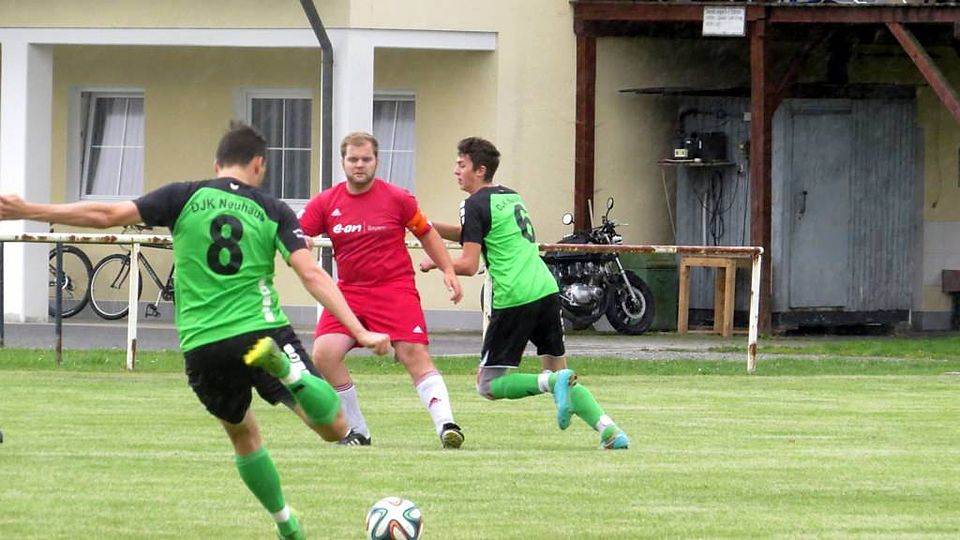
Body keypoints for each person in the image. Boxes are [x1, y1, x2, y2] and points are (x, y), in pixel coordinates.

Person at [0, 122, 391, 539]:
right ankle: (288, 372)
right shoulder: (273, 209)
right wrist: (359, 330)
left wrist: (29, 209)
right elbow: (311, 273)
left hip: (203, 344)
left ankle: (286, 525)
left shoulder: (183, 196)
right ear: (259, 165)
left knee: (243, 434)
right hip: (261, 331)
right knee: (335, 427)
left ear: (217, 164)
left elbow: (106, 215)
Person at [421, 136, 630, 450]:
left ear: (479, 170)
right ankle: (610, 432)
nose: (455, 171)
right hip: (545, 288)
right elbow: (477, 233)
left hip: (514, 294)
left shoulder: (473, 204)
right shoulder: (510, 196)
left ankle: (551, 383)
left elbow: (468, 264)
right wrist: (427, 226)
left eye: (461, 165)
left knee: (488, 385)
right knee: (560, 372)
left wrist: (437, 262)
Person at [299, 131, 465, 449]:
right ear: (343, 162)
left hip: (395, 289)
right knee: (324, 354)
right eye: (353, 159)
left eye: (366, 159)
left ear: (376, 161)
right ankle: (357, 431)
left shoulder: (398, 198)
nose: (359, 165)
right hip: (349, 293)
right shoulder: (326, 202)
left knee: (413, 354)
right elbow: (298, 235)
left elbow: (427, 232)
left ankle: (447, 425)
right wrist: (301, 241)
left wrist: (447, 269)